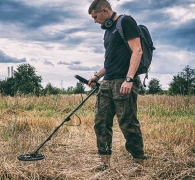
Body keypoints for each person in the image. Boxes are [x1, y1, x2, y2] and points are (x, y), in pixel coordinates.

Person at [86, 0, 147, 177]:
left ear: (104, 11)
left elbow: (137, 51)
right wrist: (97, 76)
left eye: (95, 16)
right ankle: (104, 163)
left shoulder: (125, 22)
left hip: (123, 81)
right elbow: (110, 62)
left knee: (127, 122)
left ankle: (139, 163)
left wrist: (129, 79)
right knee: (101, 122)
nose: (95, 20)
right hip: (107, 82)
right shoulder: (108, 31)